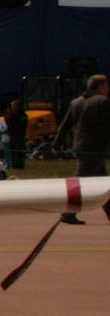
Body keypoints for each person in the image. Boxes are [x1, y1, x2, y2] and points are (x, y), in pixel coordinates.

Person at [54, 73, 109, 223]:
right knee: (82, 182)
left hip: (80, 146)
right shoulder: (102, 102)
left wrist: (56, 145)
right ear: (100, 87)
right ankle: (67, 213)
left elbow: (64, 126)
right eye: (106, 86)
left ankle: (69, 214)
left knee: (101, 181)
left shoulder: (76, 102)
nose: (107, 89)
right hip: (95, 147)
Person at [3, 98, 29, 170]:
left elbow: (11, 126)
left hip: (15, 136)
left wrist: (10, 134)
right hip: (21, 135)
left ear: (16, 106)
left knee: (14, 151)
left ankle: (16, 165)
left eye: (12, 105)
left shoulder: (14, 115)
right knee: (20, 151)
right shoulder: (24, 115)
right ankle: (21, 165)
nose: (11, 107)